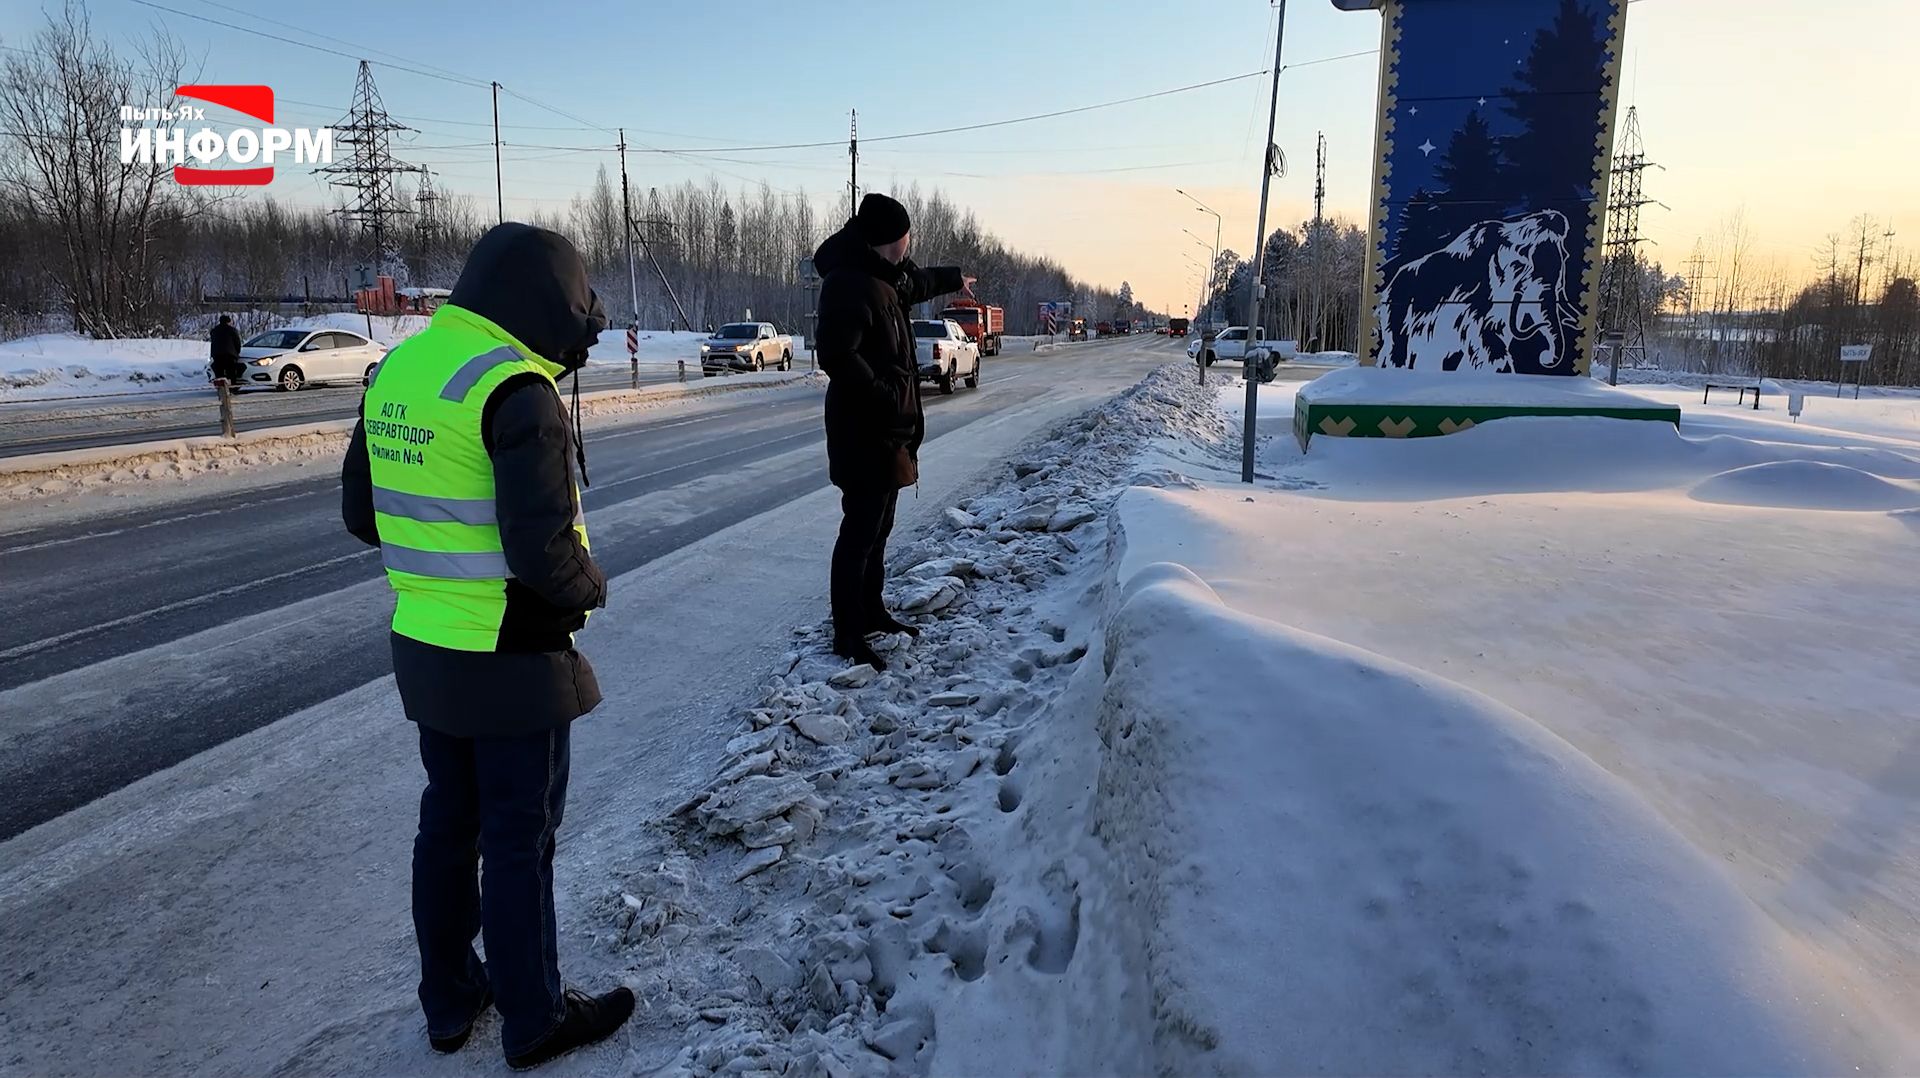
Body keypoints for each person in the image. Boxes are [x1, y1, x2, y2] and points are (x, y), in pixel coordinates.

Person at [340, 222, 634, 1070]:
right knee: (518, 839)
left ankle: (449, 998)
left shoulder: (402, 367)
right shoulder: (515, 388)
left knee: (447, 826)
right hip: (512, 657)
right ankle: (535, 1016)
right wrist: (593, 587)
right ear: (545, 301)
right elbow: (545, 555)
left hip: (425, 644)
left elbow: (363, 514)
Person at [812, 193, 974, 670]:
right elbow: (837, 354)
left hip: (889, 429)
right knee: (859, 534)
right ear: (886, 240)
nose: (910, 244)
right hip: (863, 428)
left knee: (880, 528)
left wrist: (954, 278)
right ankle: (848, 632)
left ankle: (872, 610)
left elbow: (919, 282)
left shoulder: (887, 274)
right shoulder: (848, 282)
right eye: (905, 236)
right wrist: (883, 393)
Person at [209, 314, 243, 386]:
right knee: (231, 373)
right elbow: (237, 343)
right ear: (228, 322)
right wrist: (237, 353)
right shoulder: (232, 330)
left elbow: (213, 343)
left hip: (217, 355)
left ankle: (221, 388)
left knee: (219, 373)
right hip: (229, 355)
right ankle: (232, 388)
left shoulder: (214, 330)